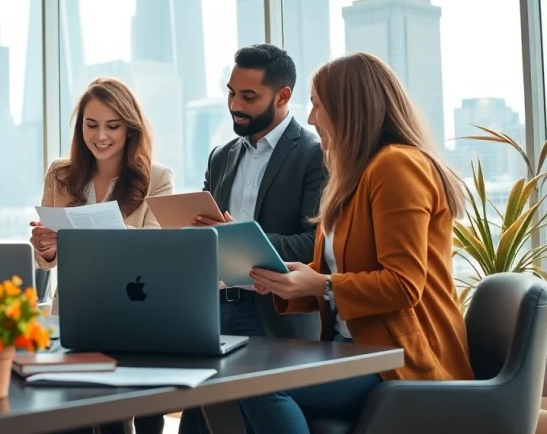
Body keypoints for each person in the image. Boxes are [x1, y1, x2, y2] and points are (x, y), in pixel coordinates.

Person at [244, 52, 474, 433]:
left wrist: (320, 283)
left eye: (318, 106)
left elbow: (403, 284)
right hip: (354, 351)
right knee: (242, 381)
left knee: (257, 387)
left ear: (349, 109)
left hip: (399, 360)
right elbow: (339, 270)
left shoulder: (397, 166)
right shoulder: (353, 177)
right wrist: (287, 278)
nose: (312, 119)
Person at [179, 44, 325, 434]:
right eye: (231, 92)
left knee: (263, 405)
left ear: (282, 96)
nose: (234, 105)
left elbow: (315, 243)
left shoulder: (315, 155)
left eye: (248, 96)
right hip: (215, 308)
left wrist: (242, 241)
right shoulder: (220, 156)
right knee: (197, 417)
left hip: (272, 310)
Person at [30, 76, 174, 434]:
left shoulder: (157, 178)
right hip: (76, 309)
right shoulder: (59, 175)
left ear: (130, 129)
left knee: (132, 410)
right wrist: (46, 248)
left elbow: (159, 249)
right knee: (76, 412)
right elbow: (46, 258)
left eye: (113, 126)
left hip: (133, 311)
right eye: (91, 125)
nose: (101, 136)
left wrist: (115, 233)